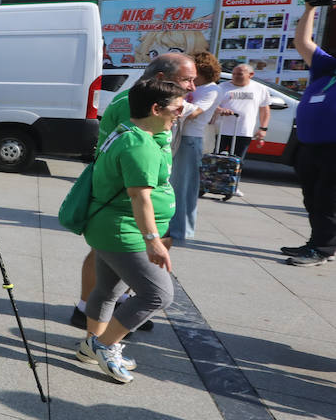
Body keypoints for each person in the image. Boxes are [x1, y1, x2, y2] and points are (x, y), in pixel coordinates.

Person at [70, 52, 196, 329]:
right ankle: (96, 329)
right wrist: (151, 237)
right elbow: (131, 167)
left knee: (109, 276)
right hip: (123, 213)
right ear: (161, 80)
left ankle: (101, 327)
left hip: (130, 211)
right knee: (151, 290)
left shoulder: (148, 111)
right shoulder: (133, 112)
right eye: (186, 80)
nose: (191, 87)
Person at [78, 79, 185, 382]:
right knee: (158, 294)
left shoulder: (124, 133)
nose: (179, 114)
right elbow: (140, 196)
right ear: (156, 108)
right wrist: (153, 241)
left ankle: (91, 345)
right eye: (177, 108)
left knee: (108, 290)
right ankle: (104, 345)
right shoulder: (140, 145)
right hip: (123, 232)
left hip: (108, 227)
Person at [284, 0, 336, 266]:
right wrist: (310, 8)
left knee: (328, 200)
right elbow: (302, 43)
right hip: (310, 145)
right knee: (312, 198)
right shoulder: (327, 67)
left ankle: (323, 249)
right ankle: (317, 242)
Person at [166, 52, 222, 241]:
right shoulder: (199, 87)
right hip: (179, 137)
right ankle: (172, 226)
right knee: (173, 185)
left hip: (191, 139)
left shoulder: (212, 90)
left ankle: (182, 230)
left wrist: (174, 101)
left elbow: (195, 112)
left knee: (185, 187)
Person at [209, 63, 269, 200]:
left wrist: (263, 129)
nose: (235, 77)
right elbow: (212, 104)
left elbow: (265, 110)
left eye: (239, 74)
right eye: (234, 74)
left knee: (238, 161)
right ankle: (209, 182)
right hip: (222, 128)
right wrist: (220, 110)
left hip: (243, 131)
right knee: (215, 158)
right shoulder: (222, 88)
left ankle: (232, 185)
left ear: (251, 75)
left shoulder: (260, 89)